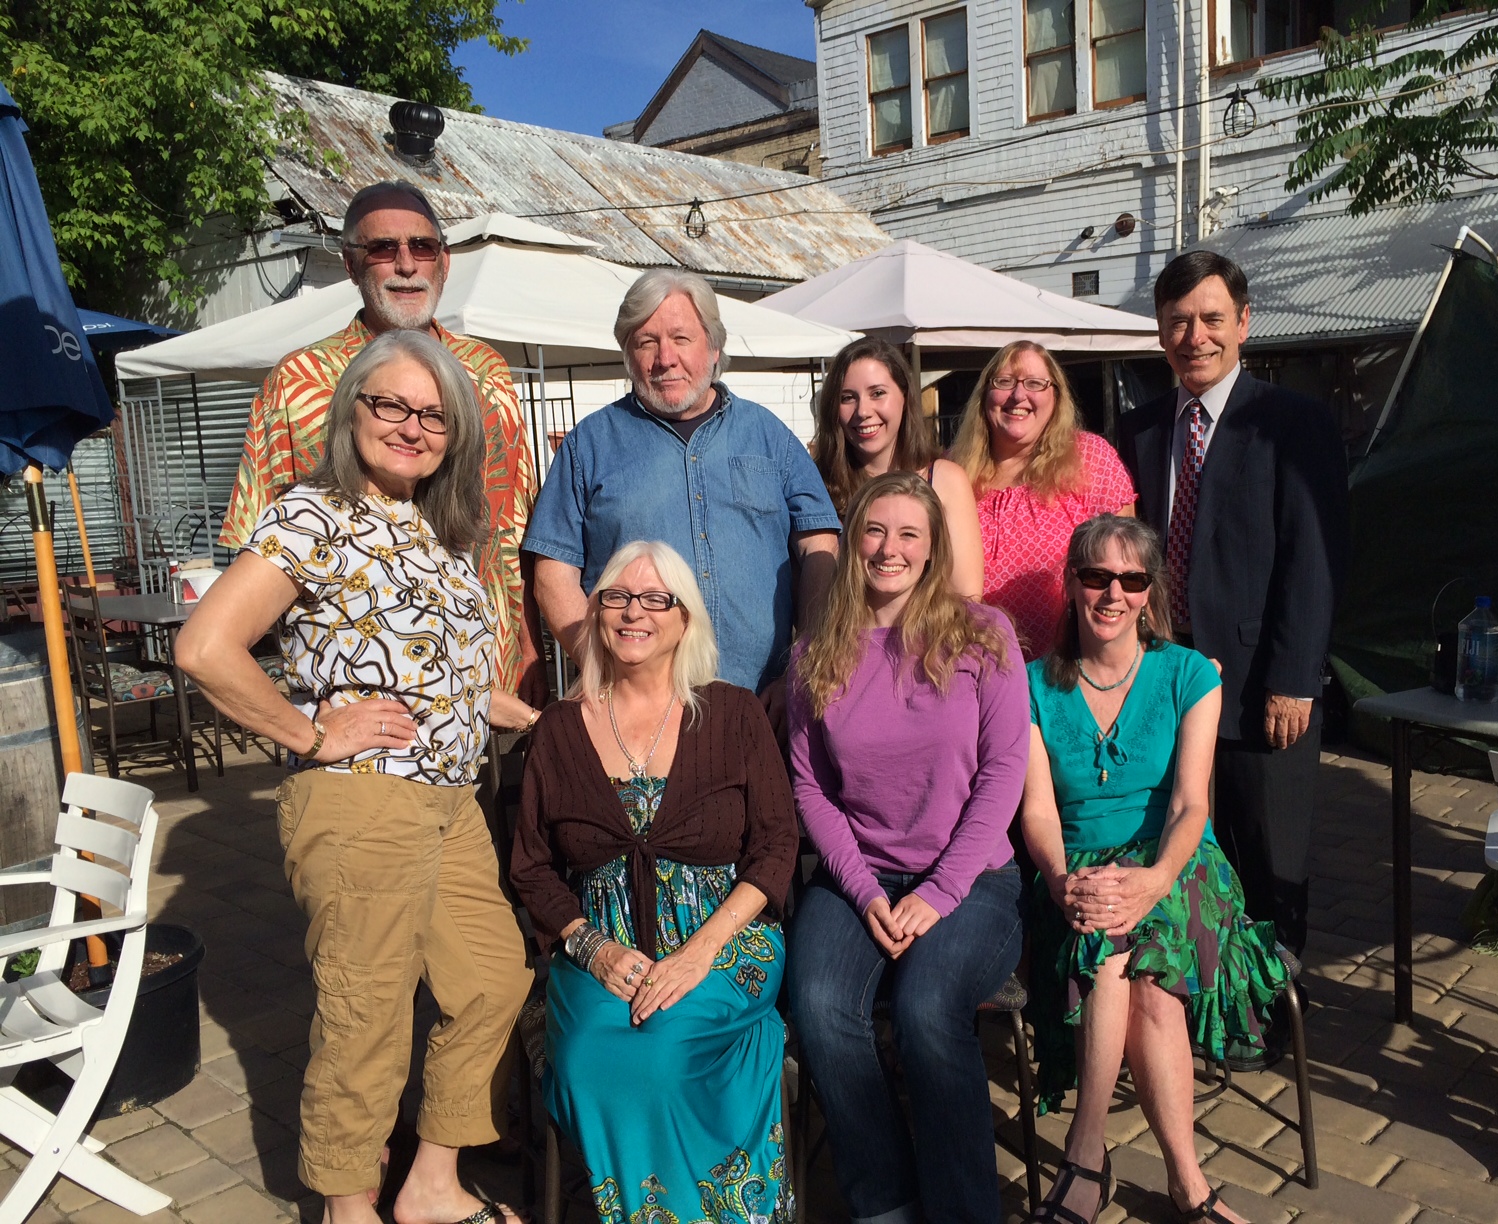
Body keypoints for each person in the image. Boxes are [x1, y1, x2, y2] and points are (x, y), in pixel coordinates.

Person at [176, 330, 537, 1224]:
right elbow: (206, 647)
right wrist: (308, 732)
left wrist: (548, 722)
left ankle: (431, 1183)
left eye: (433, 415)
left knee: (493, 981)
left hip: (453, 801)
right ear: (352, 412)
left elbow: (449, 678)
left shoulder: (440, 532)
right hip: (363, 797)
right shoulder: (314, 515)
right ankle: (348, 1205)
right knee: (366, 1010)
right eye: (391, 405)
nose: (412, 427)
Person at [510, 540, 799, 1223]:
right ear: (596, 614)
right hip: (601, 952)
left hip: (727, 938)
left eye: (653, 599)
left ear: (684, 621)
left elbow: (776, 844)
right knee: (587, 1056)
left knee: (667, 1048)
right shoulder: (556, 731)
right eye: (615, 596)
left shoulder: (732, 714)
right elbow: (531, 866)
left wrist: (700, 953)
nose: (632, 612)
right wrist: (593, 949)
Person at [1021, 514, 1288, 1224]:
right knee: (1122, 958)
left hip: (1177, 861)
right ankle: (1188, 1185)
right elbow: (1040, 813)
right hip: (1075, 866)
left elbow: (1191, 805)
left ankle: (1086, 1156)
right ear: (1072, 584)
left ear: (1149, 593)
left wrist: (1155, 879)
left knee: (1141, 952)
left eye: (1131, 579)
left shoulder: (1189, 674)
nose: (1113, 594)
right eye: (1096, 576)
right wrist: (1058, 881)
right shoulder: (1031, 686)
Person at [788, 471, 1029, 1224]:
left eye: (909, 535)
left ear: (932, 550)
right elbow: (810, 788)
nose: (889, 549)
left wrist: (937, 892)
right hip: (858, 873)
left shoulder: (983, 633)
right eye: (874, 530)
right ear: (853, 538)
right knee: (821, 1003)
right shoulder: (814, 653)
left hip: (971, 878)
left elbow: (1004, 772)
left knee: (927, 1010)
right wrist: (864, 892)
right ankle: (886, 1201)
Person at [1115, 251, 1349, 992]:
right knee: (1189, 849)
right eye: (1178, 321)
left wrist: (1294, 678)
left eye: (1212, 318)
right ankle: (1204, 1001)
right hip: (1168, 685)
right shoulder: (1141, 430)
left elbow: (1314, 559)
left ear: (1244, 323)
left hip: (1261, 690)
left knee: (1270, 858)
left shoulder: (1293, 423)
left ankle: (1273, 1012)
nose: (1196, 336)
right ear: (1159, 333)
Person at [217, 179, 545, 697]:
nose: (406, 264)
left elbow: (514, 531)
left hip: (490, 680)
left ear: (444, 262)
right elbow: (255, 551)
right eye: (382, 248)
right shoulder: (298, 383)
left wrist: (531, 648)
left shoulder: (488, 373)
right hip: (362, 691)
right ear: (350, 264)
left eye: (422, 246)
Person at [522, 269, 840, 716]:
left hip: (766, 706)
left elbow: (820, 547)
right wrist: (604, 670)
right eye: (646, 341)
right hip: (639, 716)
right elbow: (553, 575)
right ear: (628, 354)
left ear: (714, 347)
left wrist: (800, 669)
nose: (664, 358)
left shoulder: (768, 437)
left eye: (680, 338)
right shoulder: (587, 447)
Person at [950, 340, 1137, 660]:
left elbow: (1129, 574)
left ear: (1056, 397)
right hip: (977, 673)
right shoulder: (952, 477)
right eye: (1004, 382)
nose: (1018, 395)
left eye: (1035, 383)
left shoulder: (1090, 460)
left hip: (1075, 671)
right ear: (985, 395)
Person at [810, 336, 983, 598]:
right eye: (847, 398)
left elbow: (967, 595)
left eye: (877, 393)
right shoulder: (814, 485)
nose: (863, 411)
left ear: (904, 395)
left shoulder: (945, 480)